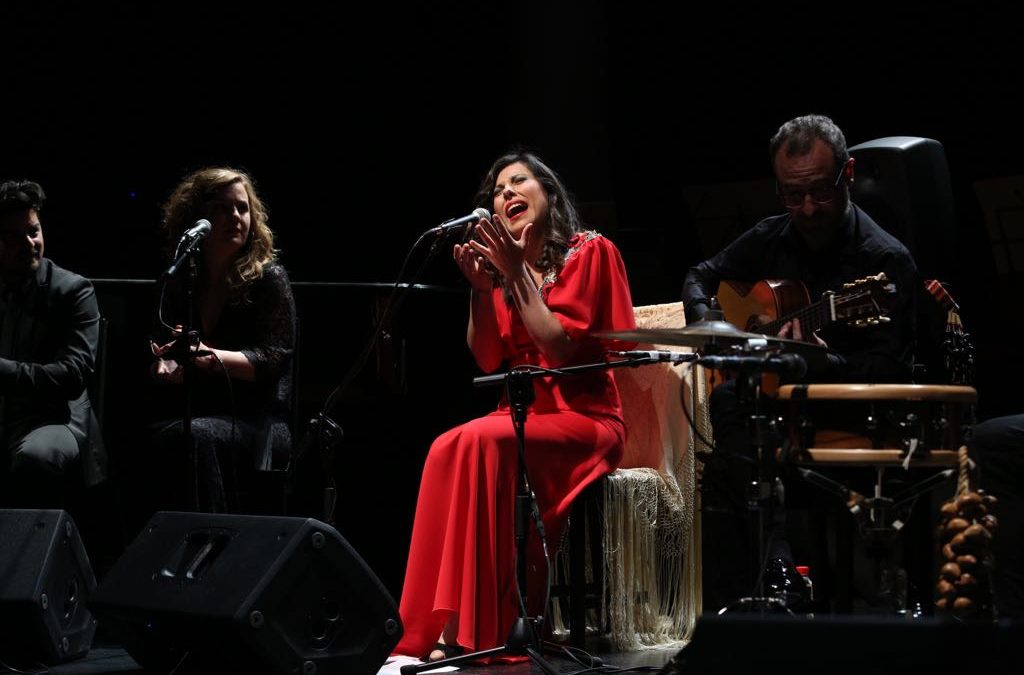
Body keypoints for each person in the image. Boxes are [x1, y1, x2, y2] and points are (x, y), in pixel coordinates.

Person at [394, 151, 636, 662]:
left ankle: (486, 631)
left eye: (518, 182)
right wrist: (483, 290)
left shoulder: (589, 252)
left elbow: (560, 348)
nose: (506, 194)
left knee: (482, 439)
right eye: (498, 191)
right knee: (444, 447)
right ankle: (438, 628)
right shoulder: (508, 272)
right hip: (521, 414)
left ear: (548, 194)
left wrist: (514, 274)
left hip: (586, 418)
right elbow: (486, 358)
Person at [681, 114, 920, 611]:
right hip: (776, 412)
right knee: (731, 402)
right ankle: (767, 575)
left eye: (819, 192)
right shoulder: (773, 236)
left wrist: (818, 360)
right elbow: (699, 277)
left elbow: (889, 371)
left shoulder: (883, 262)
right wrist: (713, 325)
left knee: (733, 414)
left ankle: (781, 566)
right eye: (792, 195)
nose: (807, 208)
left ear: (847, 174)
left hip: (853, 412)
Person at [149, 167, 296, 514]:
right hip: (198, 409)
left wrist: (207, 356)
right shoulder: (182, 278)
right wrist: (164, 364)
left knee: (194, 436)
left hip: (256, 420)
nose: (235, 217)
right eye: (222, 208)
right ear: (196, 217)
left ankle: (212, 547)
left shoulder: (267, 279)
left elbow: (272, 361)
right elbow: (161, 345)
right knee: (148, 435)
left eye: (242, 209)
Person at [0, 179, 106, 508]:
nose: (29, 243)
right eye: (13, 237)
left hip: (54, 419)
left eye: (33, 231)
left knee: (36, 457)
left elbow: (72, 376)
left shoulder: (73, 291)